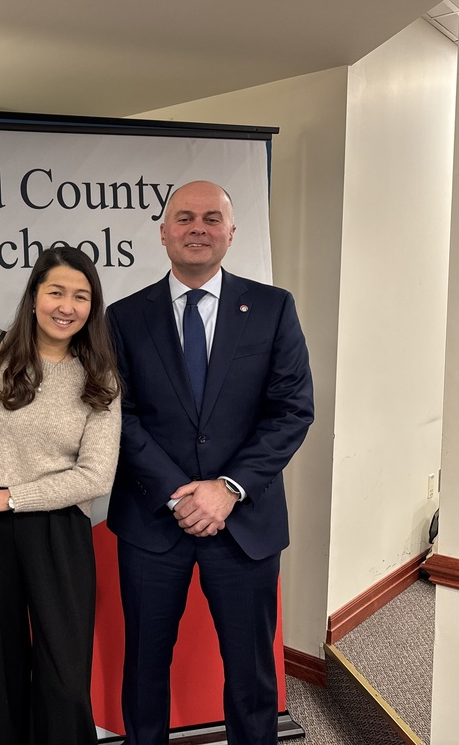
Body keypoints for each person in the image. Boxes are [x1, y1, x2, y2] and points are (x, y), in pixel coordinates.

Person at [106, 180, 314, 745]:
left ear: (230, 232)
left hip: (244, 521)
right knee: (145, 670)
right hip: (153, 521)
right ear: (163, 232)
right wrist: (179, 492)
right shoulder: (123, 318)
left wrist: (227, 488)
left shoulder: (272, 308)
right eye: (185, 218)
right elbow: (114, 415)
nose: (198, 228)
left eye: (211, 218)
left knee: (251, 675)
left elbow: (292, 410)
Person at [0, 245, 122, 745]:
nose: (66, 306)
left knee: (64, 674)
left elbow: (96, 476)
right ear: (33, 297)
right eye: (56, 292)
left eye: (81, 296)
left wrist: (6, 496)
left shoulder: (100, 376)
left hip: (58, 531)